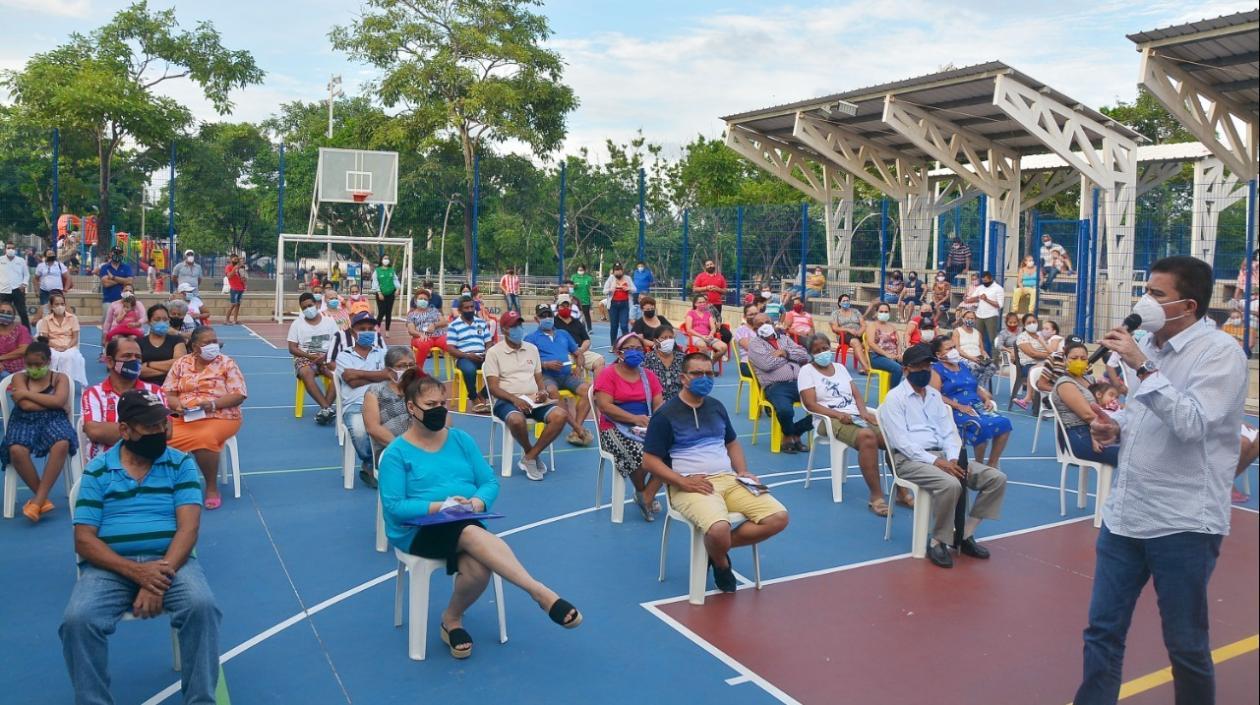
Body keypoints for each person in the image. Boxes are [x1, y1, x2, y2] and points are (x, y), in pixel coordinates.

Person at [1073, 257, 1246, 704]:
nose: (1145, 300)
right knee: (1102, 631)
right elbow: (1151, 416)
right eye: (1146, 289)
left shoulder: (1220, 354)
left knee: (1185, 644)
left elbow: (1191, 423)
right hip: (1126, 515)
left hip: (1183, 522)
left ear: (1188, 305)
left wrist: (1144, 367)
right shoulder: (1148, 343)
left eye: (1158, 294)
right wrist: (1118, 427)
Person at [379, 373, 581, 660]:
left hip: (464, 519)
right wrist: (441, 506)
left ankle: (451, 620)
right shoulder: (398, 452)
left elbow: (489, 482)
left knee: (478, 569)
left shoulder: (460, 440)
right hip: (416, 529)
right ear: (412, 408)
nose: (440, 408)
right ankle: (540, 593)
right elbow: (395, 507)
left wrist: (476, 501)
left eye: (443, 402)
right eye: (431, 403)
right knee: (472, 533)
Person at [61, 389, 221, 703]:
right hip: (111, 566)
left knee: (202, 606)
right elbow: (84, 540)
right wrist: (138, 574)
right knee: (78, 620)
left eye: (164, 425)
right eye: (151, 428)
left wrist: (157, 578)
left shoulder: (180, 465)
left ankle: (200, 700)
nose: (161, 433)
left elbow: (189, 529)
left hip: (170, 560)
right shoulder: (98, 470)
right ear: (125, 430)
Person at [642, 353, 789, 592]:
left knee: (778, 517)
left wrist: (743, 471)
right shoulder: (665, 415)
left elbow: (731, 443)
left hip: (730, 479)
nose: (705, 378)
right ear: (683, 378)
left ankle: (715, 549)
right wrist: (682, 482)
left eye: (709, 373)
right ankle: (721, 562)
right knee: (719, 528)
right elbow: (649, 461)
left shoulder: (716, 407)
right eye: (697, 374)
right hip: (690, 484)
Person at [880, 343, 1007, 569]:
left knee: (995, 478)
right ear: (906, 369)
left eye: (927, 366)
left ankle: (965, 534)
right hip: (910, 460)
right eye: (918, 366)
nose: (924, 370)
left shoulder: (934, 396)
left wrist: (953, 458)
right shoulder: (894, 399)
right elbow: (903, 443)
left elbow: (949, 432)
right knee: (950, 484)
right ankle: (938, 540)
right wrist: (938, 462)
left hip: (942, 456)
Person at [798, 333, 910, 516]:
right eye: (817, 351)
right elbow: (810, 404)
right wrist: (838, 414)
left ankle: (902, 491)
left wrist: (865, 413)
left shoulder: (840, 368)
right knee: (867, 437)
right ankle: (876, 496)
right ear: (811, 354)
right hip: (827, 419)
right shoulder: (806, 372)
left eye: (825, 349)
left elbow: (856, 394)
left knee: (892, 436)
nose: (822, 353)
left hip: (854, 416)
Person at [163, 326, 248, 510]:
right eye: (207, 343)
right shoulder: (181, 364)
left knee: (204, 438)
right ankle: (168, 484)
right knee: (159, 437)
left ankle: (211, 487)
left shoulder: (227, 363)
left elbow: (239, 394)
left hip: (222, 416)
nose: (213, 346)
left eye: (214, 342)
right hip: (185, 416)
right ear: (194, 347)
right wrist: (177, 405)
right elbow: (167, 393)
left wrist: (213, 404)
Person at [484, 312, 570, 480]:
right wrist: (515, 399)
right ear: (505, 330)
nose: (518, 329)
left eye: (520, 325)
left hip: (533, 399)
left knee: (560, 415)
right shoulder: (494, 352)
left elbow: (539, 378)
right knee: (516, 420)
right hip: (507, 400)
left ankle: (529, 457)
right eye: (513, 326)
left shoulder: (532, 349)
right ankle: (531, 453)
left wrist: (542, 392)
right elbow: (493, 388)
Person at [593, 333, 666, 521]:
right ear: (619, 352)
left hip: (645, 424)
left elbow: (659, 402)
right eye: (629, 349)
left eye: (639, 349)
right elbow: (604, 406)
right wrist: (634, 419)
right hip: (614, 427)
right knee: (641, 452)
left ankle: (646, 493)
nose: (635, 352)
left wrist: (655, 420)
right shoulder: (608, 374)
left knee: (672, 452)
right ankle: (643, 493)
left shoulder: (648, 375)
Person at [3, 340, 77, 522]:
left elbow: (57, 402)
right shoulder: (18, 378)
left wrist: (26, 394)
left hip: (54, 420)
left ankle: (37, 501)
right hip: (23, 420)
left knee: (62, 442)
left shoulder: (60, 378)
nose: (33, 368)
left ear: (48, 361)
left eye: (39, 364)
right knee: (16, 449)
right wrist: (52, 402)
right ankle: (41, 499)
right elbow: (26, 406)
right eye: (29, 364)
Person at [929, 336, 1012, 468]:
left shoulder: (962, 366)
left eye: (954, 347)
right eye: (949, 348)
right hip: (955, 411)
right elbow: (935, 394)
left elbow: (974, 385)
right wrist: (958, 405)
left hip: (977, 406)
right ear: (939, 354)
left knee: (1005, 423)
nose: (953, 351)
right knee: (980, 427)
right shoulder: (936, 370)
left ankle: (991, 463)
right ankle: (979, 467)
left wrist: (986, 398)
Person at [82, 336, 167, 460]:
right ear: (110, 362)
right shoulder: (93, 393)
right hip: (107, 467)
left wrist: (115, 430)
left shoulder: (155, 391)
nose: (134, 360)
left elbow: (167, 431)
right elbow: (95, 431)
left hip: (150, 462)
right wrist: (148, 429)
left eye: (138, 357)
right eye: (127, 356)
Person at [336, 312, 391, 488]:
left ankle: (390, 464)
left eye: (370, 329)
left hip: (382, 402)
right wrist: (379, 375)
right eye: (362, 329)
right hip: (355, 404)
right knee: (359, 430)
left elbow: (390, 376)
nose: (367, 332)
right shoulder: (344, 356)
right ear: (353, 332)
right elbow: (350, 381)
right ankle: (370, 463)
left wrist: (359, 375)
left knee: (405, 424)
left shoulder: (384, 354)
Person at [525, 305, 593, 446]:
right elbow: (526, 362)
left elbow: (578, 353)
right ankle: (578, 429)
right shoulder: (531, 338)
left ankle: (576, 429)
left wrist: (579, 367)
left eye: (549, 315)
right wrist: (545, 364)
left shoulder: (563, 334)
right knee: (552, 392)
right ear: (536, 319)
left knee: (590, 391)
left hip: (567, 375)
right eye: (543, 316)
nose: (547, 318)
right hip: (546, 376)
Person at [746, 313, 814, 453]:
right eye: (760, 324)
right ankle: (788, 436)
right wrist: (790, 356)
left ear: (773, 323)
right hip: (776, 387)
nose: (765, 325)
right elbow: (767, 364)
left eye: (767, 321)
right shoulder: (754, 344)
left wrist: (785, 353)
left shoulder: (784, 338)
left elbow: (804, 354)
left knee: (828, 404)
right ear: (754, 328)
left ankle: (795, 432)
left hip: (800, 382)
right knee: (785, 410)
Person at [1049, 338, 1120, 467]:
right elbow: (1088, 415)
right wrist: (1099, 434)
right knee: (1126, 456)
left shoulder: (1089, 379)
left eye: (1083, 358)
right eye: (1074, 358)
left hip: (1098, 429)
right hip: (1079, 435)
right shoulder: (1065, 383)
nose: (1079, 361)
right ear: (1065, 360)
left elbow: (1103, 403)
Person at [287, 292, 340, 425]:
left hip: (327, 357)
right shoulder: (297, 324)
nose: (307, 309)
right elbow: (292, 348)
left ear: (316, 304)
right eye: (304, 308)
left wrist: (326, 357)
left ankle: (325, 409)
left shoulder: (329, 322)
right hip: (306, 358)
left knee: (338, 375)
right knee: (306, 372)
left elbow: (337, 342)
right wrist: (310, 356)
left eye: (309, 305)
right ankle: (327, 408)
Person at [363, 346, 419, 449]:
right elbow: (373, 428)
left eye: (411, 365)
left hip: (423, 446)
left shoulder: (421, 389)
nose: (408, 369)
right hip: (392, 449)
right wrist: (403, 448)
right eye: (401, 366)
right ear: (389, 370)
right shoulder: (375, 392)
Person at [448, 296, 492, 414]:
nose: (470, 310)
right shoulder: (454, 325)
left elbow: (489, 342)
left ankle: (482, 395)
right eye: (466, 308)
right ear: (460, 310)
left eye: (472, 307)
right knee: (469, 370)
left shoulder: (481, 323)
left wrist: (487, 352)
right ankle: (474, 398)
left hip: (482, 356)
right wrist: (467, 355)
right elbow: (450, 348)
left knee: (502, 368)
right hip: (464, 358)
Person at [35, 291, 87, 386]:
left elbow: (75, 337)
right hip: (52, 346)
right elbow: (45, 338)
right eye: (57, 304)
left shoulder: (73, 318)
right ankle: (52, 382)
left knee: (70, 357)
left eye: (62, 304)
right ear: (51, 306)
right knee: (53, 357)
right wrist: (56, 346)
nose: (60, 306)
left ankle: (67, 383)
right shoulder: (46, 320)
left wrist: (66, 347)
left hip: (69, 345)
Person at [554, 298, 605, 379]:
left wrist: (581, 350)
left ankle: (597, 388)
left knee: (600, 360)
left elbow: (586, 340)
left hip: (581, 351)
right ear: (557, 308)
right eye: (562, 306)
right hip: (564, 353)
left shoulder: (577, 322)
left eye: (568, 306)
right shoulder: (553, 322)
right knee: (565, 367)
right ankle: (577, 385)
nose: (565, 308)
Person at [1012, 313, 1051, 410]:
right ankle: (1030, 399)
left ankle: (1046, 403)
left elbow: (1051, 350)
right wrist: (1049, 356)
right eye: (1029, 323)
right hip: (1028, 365)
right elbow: (1032, 354)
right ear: (1024, 325)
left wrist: (1043, 343)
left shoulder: (1041, 336)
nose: (1032, 324)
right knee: (1036, 370)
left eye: (1034, 322)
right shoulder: (1022, 337)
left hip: (1045, 363)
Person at [952, 309, 998, 390]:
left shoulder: (978, 333)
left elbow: (982, 350)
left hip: (978, 357)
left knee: (992, 367)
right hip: (964, 357)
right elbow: (957, 349)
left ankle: (980, 387)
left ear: (975, 320)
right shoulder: (957, 331)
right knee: (974, 366)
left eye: (972, 318)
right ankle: (970, 388)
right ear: (963, 319)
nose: (970, 320)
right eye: (967, 318)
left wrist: (986, 356)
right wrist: (971, 358)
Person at [862, 301, 904, 387]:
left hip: (893, 356)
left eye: (886, 312)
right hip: (877, 357)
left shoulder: (893, 327)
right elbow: (871, 344)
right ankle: (892, 396)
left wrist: (899, 354)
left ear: (889, 313)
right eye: (881, 312)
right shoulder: (872, 326)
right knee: (898, 369)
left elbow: (898, 343)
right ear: (876, 312)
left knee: (914, 366)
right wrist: (887, 355)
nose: (883, 313)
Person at [407, 289, 449, 371]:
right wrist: (421, 335)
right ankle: (417, 371)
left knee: (450, 342)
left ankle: (458, 368)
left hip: (438, 336)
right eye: (421, 299)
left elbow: (444, 322)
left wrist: (434, 325)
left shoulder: (433, 310)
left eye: (425, 299)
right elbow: (411, 330)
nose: (423, 301)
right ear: (416, 300)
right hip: (420, 337)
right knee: (424, 343)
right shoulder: (411, 314)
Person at [642, 324, 684, 401]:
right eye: (664, 338)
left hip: (680, 403)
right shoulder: (648, 359)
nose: (668, 340)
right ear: (655, 341)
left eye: (671, 337)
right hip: (656, 403)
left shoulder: (682, 358)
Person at [680, 295, 728, 360]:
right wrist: (701, 336)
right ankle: (699, 365)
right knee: (703, 346)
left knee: (724, 347)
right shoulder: (691, 313)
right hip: (695, 337)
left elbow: (713, 328)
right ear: (695, 304)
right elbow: (689, 329)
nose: (702, 304)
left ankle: (711, 363)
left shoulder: (708, 314)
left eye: (704, 302)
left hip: (707, 337)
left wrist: (711, 334)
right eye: (700, 302)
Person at [829, 294, 866, 373]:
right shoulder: (836, 313)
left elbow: (863, 324)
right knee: (855, 342)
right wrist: (848, 330)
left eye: (847, 300)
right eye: (844, 301)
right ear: (839, 303)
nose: (846, 302)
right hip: (844, 336)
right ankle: (866, 367)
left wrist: (860, 332)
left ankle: (869, 366)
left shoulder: (856, 312)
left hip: (858, 334)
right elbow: (835, 328)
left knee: (869, 342)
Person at [0, 241, 31, 330]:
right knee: (3, 314)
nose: (11, 250)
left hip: (18, 290)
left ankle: (27, 333)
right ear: (5, 250)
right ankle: (3, 332)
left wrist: (24, 284)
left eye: (12, 248)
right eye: (8, 248)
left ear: (15, 249)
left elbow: (26, 274)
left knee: (23, 312)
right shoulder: (0, 260)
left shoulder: (21, 261)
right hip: (3, 291)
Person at [602, 263, 636, 346]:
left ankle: (627, 344)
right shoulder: (611, 279)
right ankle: (613, 345)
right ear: (613, 272)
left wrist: (628, 289)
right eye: (616, 271)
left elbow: (634, 289)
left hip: (624, 304)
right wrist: (611, 289)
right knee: (614, 326)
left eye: (619, 270)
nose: (618, 272)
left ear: (622, 271)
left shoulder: (627, 278)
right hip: (613, 305)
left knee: (624, 325)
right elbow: (604, 291)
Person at [34, 246, 68, 322]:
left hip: (57, 292)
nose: (51, 255)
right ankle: (47, 328)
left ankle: (59, 327)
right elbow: (35, 279)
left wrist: (65, 289)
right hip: (44, 292)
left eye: (52, 254)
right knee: (46, 311)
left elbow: (68, 278)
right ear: (45, 256)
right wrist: (36, 291)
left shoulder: (60, 265)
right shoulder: (40, 266)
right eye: (49, 254)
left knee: (59, 310)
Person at [0, 299, 33, 377]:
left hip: (18, 367)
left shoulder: (21, 330)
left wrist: (1, 358)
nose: (5, 314)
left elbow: (23, 350)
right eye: (2, 312)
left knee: (5, 376)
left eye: (9, 313)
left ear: (14, 316)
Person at [973, 270, 1004, 354]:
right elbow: (974, 297)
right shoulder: (980, 287)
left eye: (986, 281)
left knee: (993, 339)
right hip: (979, 315)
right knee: (978, 338)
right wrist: (967, 299)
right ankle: (980, 357)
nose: (984, 282)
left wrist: (986, 299)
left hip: (991, 316)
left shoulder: (998, 288)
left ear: (991, 279)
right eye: (983, 281)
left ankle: (995, 360)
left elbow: (999, 305)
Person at [373, 255, 400, 332]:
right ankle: (376, 329)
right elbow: (375, 282)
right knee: (381, 312)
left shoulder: (391, 270)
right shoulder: (377, 270)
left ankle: (387, 330)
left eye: (387, 258)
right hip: (381, 294)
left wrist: (397, 289)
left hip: (391, 293)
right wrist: (379, 292)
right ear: (381, 260)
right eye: (385, 258)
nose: (386, 260)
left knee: (388, 312)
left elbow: (395, 280)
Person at [224, 253, 247, 325]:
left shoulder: (240, 267)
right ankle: (226, 320)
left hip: (240, 288)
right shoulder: (228, 267)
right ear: (231, 260)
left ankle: (235, 320)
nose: (236, 261)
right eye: (234, 259)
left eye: (237, 259)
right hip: (234, 288)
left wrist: (244, 282)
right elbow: (229, 276)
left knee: (238, 304)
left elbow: (243, 277)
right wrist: (234, 268)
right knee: (233, 304)